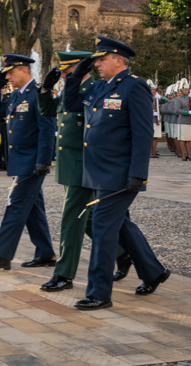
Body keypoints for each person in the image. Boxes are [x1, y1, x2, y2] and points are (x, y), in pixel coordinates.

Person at [63, 36, 171, 311]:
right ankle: (153, 271)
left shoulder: (135, 88)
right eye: (96, 60)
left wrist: (138, 173)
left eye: (102, 59)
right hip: (97, 172)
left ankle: (99, 293)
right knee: (119, 225)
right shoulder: (100, 86)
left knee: (102, 230)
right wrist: (75, 77)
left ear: (118, 60)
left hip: (119, 174)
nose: (97, 63)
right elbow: (71, 105)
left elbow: (143, 133)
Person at [35, 51, 123, 291]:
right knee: (85, 219)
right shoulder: (68, 89)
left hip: (84, 162)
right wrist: (44, 89)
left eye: (67, 70)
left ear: (82, 68)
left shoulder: (96, 89)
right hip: (69, 161)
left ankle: (64, 274)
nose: (63, 74)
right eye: (62, 71)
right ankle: (123, 253)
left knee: (71, 219)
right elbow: (47, 111)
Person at [0, 54, 56, 271]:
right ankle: (46, 253)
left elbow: (47, 130)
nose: (8, 77)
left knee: (15, 206)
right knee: (33, 209)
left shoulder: (38, 93)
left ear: (24, 70)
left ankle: (1, 255)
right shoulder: (15, 96)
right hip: (20, 162)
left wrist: (44, 160)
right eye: (6, 74)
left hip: (32, 164)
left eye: (11, 73)